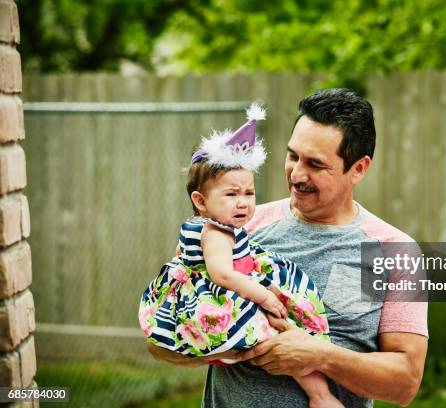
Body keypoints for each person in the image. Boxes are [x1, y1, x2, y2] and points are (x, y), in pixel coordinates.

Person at [148, 88, 429, 407]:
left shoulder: (395, 252)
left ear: (359, 169)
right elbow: (159, 342)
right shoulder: (236, 227)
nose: (297, 174)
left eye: (315, 164)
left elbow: (405, 382)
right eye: (293, 155)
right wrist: (231, 342)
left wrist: (321, 356)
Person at [139, 103, 343, 407]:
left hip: (227, 290)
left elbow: (184, 259)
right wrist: (263, 296)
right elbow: (222, 274)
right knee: (279, 331)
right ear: (201, 200)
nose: (243, 203)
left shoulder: (203, 226)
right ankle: (320, 395)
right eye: (231, 194)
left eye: (248, 193)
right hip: (228, 298)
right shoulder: (217, 232)